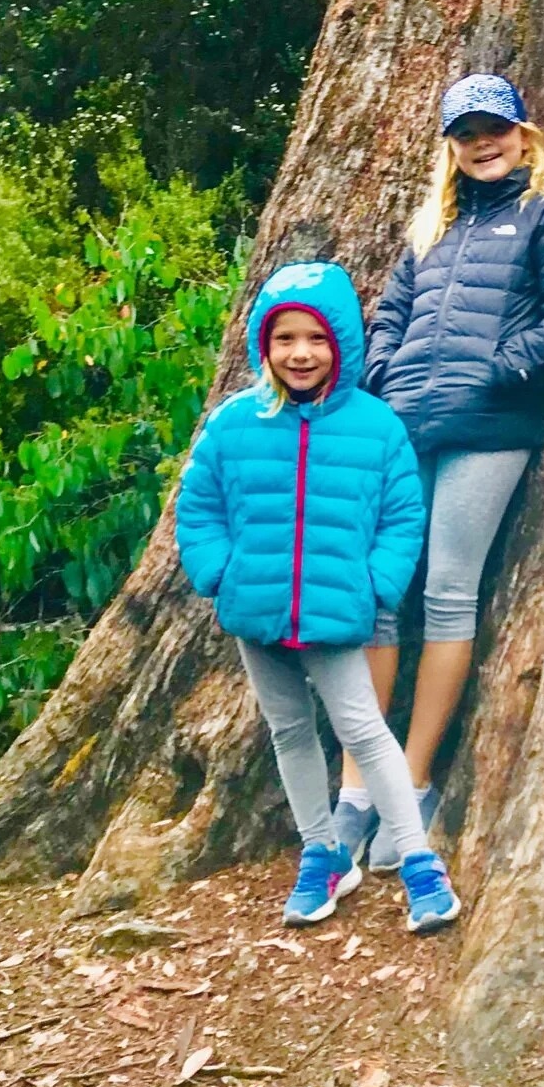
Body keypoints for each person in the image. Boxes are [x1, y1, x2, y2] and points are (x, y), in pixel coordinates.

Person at [335, 74, 544, 872]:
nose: (483, 143)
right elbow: (387, 316)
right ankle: (359, 791)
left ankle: (413, 782)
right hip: (404, 428)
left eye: (495, 128)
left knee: (448, 591)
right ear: (449, 146)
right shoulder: (431, 230)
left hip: (490, 428)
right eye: (466, 132)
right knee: (381, 595)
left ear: (524, 134)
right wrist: (384, 382)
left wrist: (495, 372)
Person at [174, 259, 464, 932]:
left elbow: (402, 515)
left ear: (341, 344)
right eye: (285, 339)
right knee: (289, 731)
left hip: (338, 613)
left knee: (362, 730)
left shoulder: (375, 426)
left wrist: (377, 585)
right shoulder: (233, 423)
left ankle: (420, 863)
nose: (301, 353)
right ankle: (323, 852)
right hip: (258, 611)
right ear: (263, 346)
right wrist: (220, 573)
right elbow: (198, 505)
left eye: (316, 338)